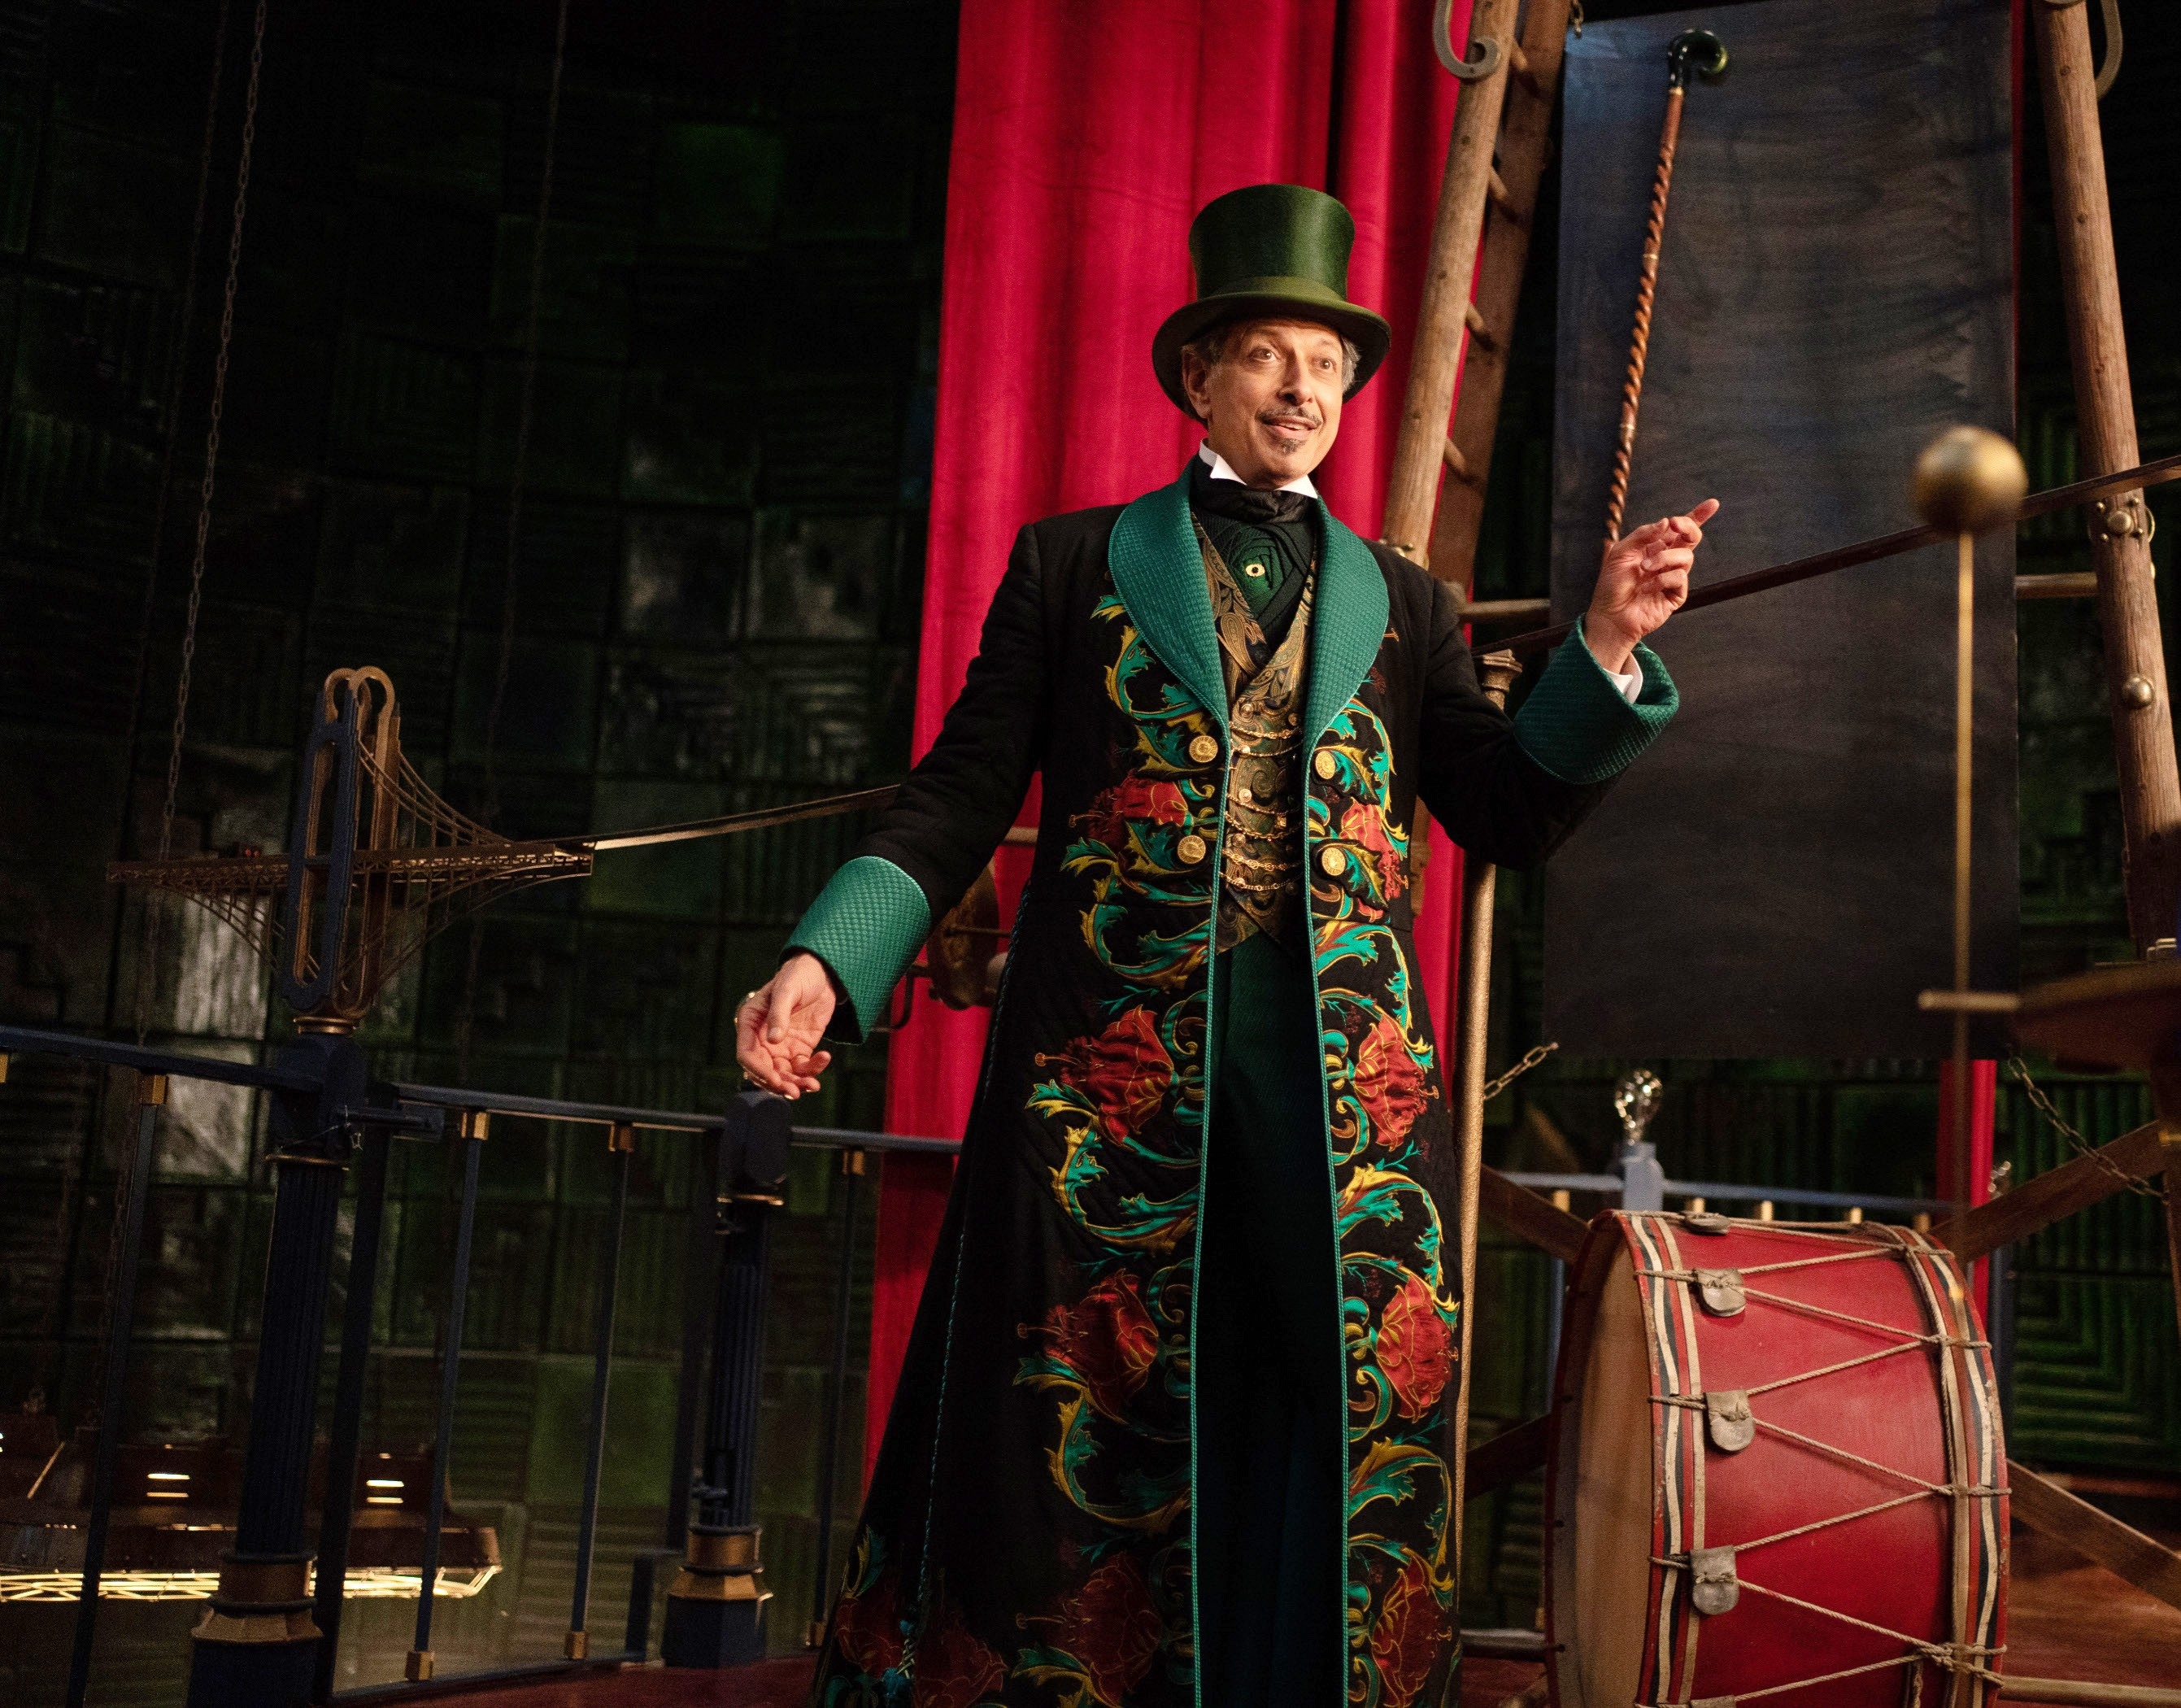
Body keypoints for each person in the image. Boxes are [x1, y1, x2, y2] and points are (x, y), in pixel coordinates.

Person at [738, 183, 1714, 1708]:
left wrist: (1604, 648)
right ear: (1196, 378)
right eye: (1267, 355)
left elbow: (1508, 814)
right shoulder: (1072, 566)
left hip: (1345, 1097)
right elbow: (954, 796)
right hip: (1108, 1084)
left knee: (1331, 1404)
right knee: (1085, 1402)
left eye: (1327, 363)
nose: (1302, 389)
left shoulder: (1406, 603)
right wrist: (829, 960)